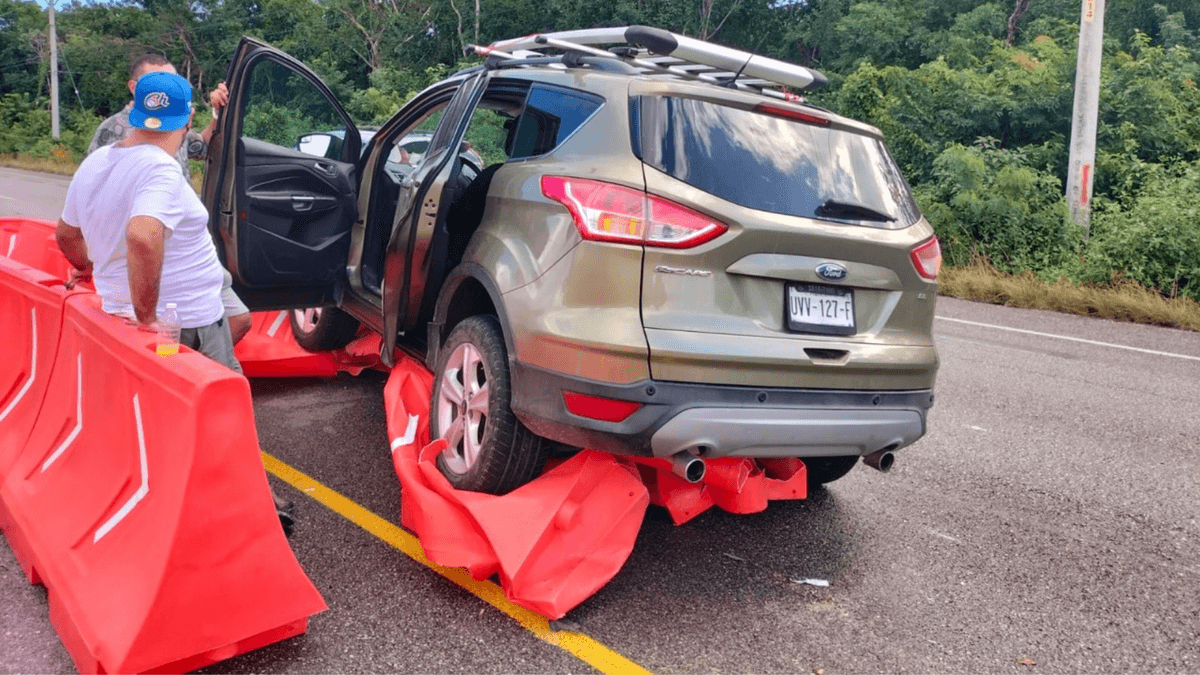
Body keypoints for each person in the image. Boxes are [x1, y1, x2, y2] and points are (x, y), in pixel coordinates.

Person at [57, 72, 295, 533]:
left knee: (174, 410)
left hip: (150, 318)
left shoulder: (98, 162)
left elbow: (66, 234)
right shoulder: (160, 169)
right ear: (186, 116)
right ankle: (254, 510)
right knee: (227, 413)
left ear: (136, 112)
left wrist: (88, 270)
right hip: (186, 323)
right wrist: (149, 315)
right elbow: (143, 236)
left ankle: (184, 500)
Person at [87, 53, 252, 346]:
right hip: (152, 256)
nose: (163, 88)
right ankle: (179, 378)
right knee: (166, 338)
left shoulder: (174, 124)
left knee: (237, 320)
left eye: (171, 81)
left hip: (189, 248)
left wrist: (217, 112)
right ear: (133, 87)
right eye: (154, 81)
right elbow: (98, 197)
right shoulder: (112, 131)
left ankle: (192, 373)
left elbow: (203, 145)